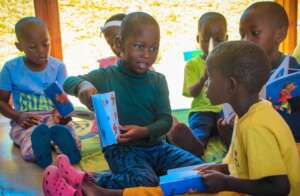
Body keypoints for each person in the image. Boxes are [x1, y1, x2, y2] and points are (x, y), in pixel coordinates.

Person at [42, 41, 300, 196]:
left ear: (232, 85)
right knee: (175, 182)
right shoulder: (251, 113)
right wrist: (220, 169)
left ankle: (94, 189)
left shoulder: (255, 125)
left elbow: (279, 188)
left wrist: (224, 181)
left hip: (240, 189)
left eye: (209, 77)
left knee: (165, 190)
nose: (205, 83)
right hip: (231, 183)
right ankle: (92, 186)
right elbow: (239, 163)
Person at [62, 12, 203, 189]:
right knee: (145, 181)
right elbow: (67, 82)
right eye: (139, 46)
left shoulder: (158, 80)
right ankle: (90, 181)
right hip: (121, 150)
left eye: (153, 48)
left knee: (202, 170)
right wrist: (82, 87)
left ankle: (148, 175)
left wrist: (144, 131)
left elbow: (166, 121)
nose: (146, 54)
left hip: (157, 147)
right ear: (119, 44)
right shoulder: (106, 76)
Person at [0, 17, 81, 168]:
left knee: (67, 132)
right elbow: (1, 101)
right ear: (19, 46)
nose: (41, 51)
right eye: (33, 47)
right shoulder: (10, 68)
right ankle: (40, 152)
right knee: (29, 138)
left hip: (53, 116)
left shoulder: (58, 67)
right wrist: (17, 116)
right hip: (28, 119)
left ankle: (70, 149)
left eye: (46, 44)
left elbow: (61, 99)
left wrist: (62, 114)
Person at [167, 12, 228, 156]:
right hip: (202, 109)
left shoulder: (229, 62)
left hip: (223, 109)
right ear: (198, 39)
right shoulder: (193, 64)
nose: (212, 45)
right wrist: (203, 78)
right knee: (200, 129)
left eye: (218, 40)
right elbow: (191, 93)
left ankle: (233, 143)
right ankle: (195, 146)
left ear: (226, 39)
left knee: (231, 125)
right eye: (206, 40)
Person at [239, 1, 300, 142]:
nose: (245, 40)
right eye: (242, 34)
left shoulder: (294, 72)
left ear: (280, 35)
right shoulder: (243, 72)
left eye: (255, 33)